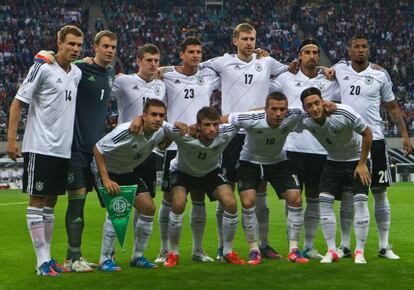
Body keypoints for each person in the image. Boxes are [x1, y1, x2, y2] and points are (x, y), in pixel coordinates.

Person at [201, 22, 289, 261]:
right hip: (230, 135)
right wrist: (164, 70)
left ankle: (264, 244)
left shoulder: (266, 63)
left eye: (252, 39)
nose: (250, 43)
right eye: (245, 39)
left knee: (260, 192)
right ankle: (223, 247)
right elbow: (191, 66)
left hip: (258, 134)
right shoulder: (222, 62)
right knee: (226, 191)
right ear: (235, 41)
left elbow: (291, 70)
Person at [7, 25, 83, 276]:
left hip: (62, 149)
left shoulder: (77, 73)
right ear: (59, 43)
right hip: (39, 145)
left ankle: (48, 259)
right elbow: (18, 103)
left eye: (78, 45)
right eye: (70, 43)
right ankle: (41, 262)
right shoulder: (41, 66)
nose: (74, 49)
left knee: (51, 201)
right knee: (37, 201)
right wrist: (11, 140)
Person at [332, 35, 413, 259]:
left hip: (376, 140)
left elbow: (393, 107)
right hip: (350, 142)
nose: (360, 50)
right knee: (349, 194)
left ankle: (384, 245)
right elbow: (318, 72)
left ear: (369, 50)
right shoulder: (339, 69)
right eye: (356, 46)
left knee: (379, 192)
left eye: (364, 47)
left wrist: (404, 134)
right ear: (349, 50)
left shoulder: (380, 74)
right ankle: (345, 245)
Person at [269, 38, 340, 259]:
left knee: (314, 199)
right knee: (294, 199)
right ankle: (293, 246)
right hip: (292, 148)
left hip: (320, 150)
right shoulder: (285, 78)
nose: (312, 56)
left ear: (318, 56)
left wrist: (335, 70)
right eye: (307, 52)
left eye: (315, 52)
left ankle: (309, 245)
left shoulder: (330, 80)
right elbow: (262, 81)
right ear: (300, 55)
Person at [155, 36, 220, 264]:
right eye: (191, 51)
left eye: (198, 52)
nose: (195, 55)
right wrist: (160, 70)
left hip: (201, 144)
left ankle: (198, 249)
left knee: (199, 197)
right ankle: (164, 249)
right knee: (169, 198)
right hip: (174, 144)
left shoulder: (210, 75)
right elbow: (155, 74)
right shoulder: (168, 75)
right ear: (181, 54)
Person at [222, 92, 308, 264]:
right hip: (250, 161)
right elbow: (223, 119)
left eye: (282, 109)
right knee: (248, 202)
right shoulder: (251, 118)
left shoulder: (295, 114)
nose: (278, 113)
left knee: (296, 199)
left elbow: (316, 108)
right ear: (266, 109)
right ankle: (254, 250)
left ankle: (294, 250)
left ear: (287, 109)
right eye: (274, 109)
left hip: (278, 161)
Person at [93, 99, 178, 271]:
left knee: (148, 208)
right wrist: (106, 180)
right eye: (153, 114)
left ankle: (137, 256)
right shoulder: (126, 131)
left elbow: (163, 142)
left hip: (128, 171)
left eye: (161, 115)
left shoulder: (161, 130)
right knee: (117, 210)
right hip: (107, 171)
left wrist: (178, 130)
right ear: (143, 116)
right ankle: (105, 259)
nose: (157, 118)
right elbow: (98, 149)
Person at [163, 107, 246, 267]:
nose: (212, 129)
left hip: (210, 171)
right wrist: (176, 124)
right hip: (182, 171)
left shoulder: (226, 131)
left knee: (231, 203)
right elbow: (162, 125)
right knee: (178, 204)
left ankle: (228, 252)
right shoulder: (183, 134)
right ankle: (173, 253)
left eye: (215, 124)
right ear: (198, 126)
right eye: (207, 125)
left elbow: (246, 117)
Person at [300, 87, 373, 264]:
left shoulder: (343, 112)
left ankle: (359, 251)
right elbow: (278, 113)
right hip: (333, 161)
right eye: (309, 106)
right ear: (304, 108)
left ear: (323, 102)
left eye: (317, 103)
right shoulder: (304, 120)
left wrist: (362, 163)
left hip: (356, 160)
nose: (314, 108)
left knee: (360, 202)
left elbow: (367, 133)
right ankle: (332, 251)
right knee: (324, 202)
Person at [111, 43, 166, 264]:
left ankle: (137, 255)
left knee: (145, 206)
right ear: (139, 61)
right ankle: (109, 255)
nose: (153, 64)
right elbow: (103, 89)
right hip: (124, 151)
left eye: (156, 60)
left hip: (147, 152)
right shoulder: (123, 80)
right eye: (149, 60)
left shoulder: (160, 86)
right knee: (118, 207)